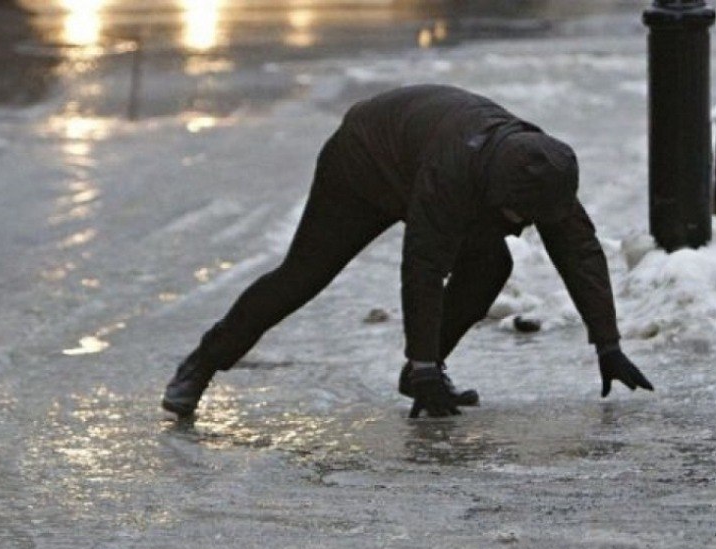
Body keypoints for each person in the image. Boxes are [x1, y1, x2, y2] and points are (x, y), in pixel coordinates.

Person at [162, 84, 653, 418]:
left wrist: (607, 343)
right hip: (363, 163)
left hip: (423, 150)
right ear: (496, 195)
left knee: (491, 263)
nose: (526, 229)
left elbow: (579, 250)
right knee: (303, 275)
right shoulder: (454, 176)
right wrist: (421, 364)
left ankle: (425, 368)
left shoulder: (543, 170)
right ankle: (202, 364)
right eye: (517, 219)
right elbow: (423, 267)